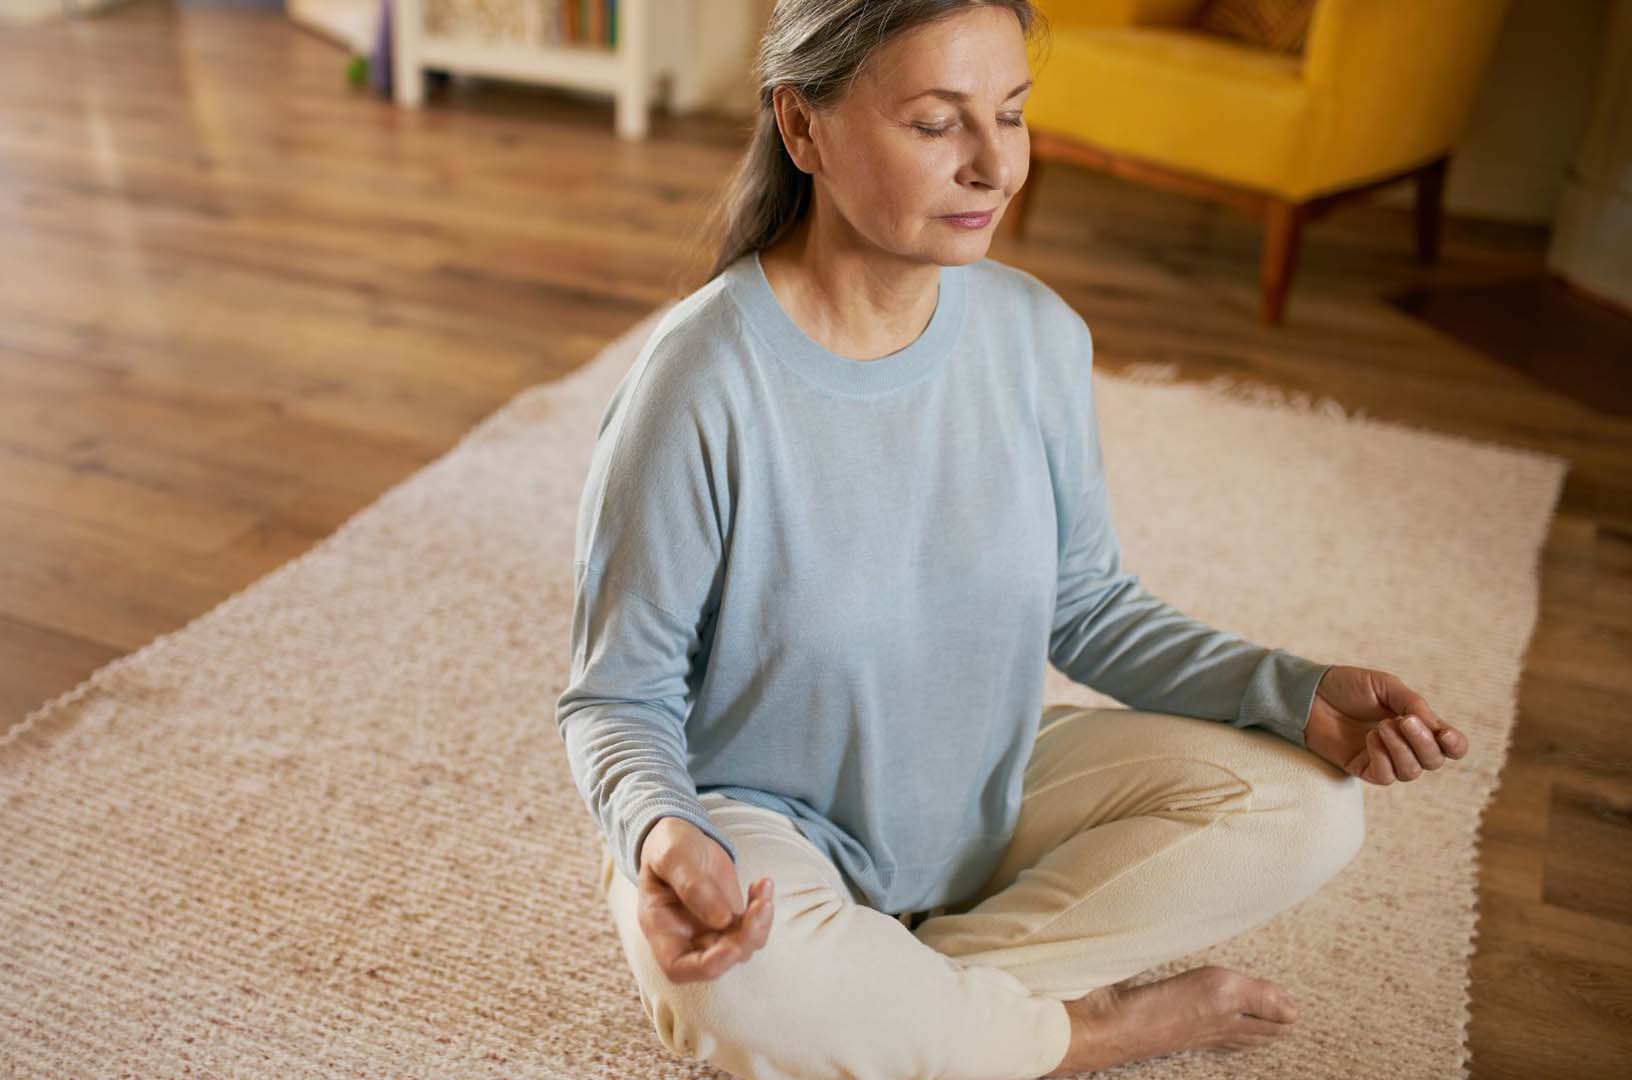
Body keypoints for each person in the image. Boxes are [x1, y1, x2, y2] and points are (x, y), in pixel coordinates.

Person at [554, 2, 1472, 1077]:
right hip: (758, 832)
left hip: (981, 789)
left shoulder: (1037, 336)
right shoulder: (698, 382)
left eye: (1014, 115)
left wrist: (1291, 691)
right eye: (940, 124)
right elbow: (617, 698)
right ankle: (1079, 1032)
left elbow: (1086, 604)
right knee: (742, 975)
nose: (995, 167)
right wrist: (663, 839)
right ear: (802, 129)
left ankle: (908, 1002)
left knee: (1314, 807)